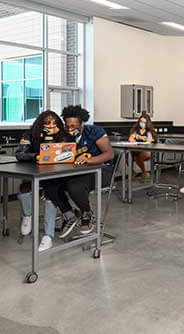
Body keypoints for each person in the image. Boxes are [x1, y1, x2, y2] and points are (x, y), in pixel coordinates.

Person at [15, 110, 77, 251]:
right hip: (34, 173)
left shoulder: (64, 135)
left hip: (56, 175)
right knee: (25, 188)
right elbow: (20, 154)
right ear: (40, 124)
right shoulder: (29, 135)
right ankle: (28, 215)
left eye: (54, 123)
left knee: (51, 193)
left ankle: (48, 236)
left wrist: (57, 137)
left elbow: (70, 152)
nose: (51, 126)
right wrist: (36, 156)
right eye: (47, 123)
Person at [61, 105, 115, 235]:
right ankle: (69, 214)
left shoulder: (95, 132)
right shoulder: (65, 135)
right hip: (77, 171)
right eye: (67, 126)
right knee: (51, 185)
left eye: (73, 126)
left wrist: (89, 160)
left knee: (74, 187)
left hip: (101, 170)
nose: (70, 129)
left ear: (82, 124)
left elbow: (109, 154)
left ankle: (86, 213)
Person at [128, 111, 157, 182]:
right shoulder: (136, 129)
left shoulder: (149, 131)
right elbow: (131, 138)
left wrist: (141, 138)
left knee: (138, 157)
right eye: (141, 122)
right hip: (136, 149)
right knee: (128, 156)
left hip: (147, 150)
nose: (142, 124)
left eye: (144, 122)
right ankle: (132, 172)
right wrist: (132, 139)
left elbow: (150, 140)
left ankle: (144, 172)